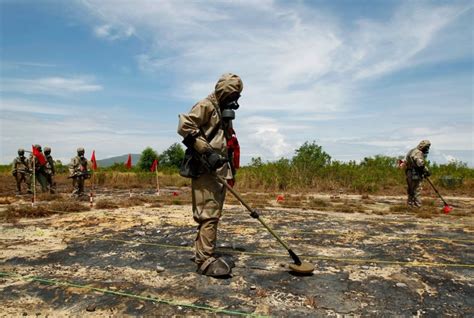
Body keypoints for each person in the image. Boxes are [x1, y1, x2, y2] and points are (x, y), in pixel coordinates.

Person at [177, 73, 243, 277]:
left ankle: (205, 252)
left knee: (214, 214)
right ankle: (204, 260)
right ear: (225, 92)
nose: (236, 101)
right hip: (206, 168)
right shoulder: (205, 106)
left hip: (219, 169)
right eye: (233, 95)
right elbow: (184, 125)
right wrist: (207, 151)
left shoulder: (222, 110)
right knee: (209, 215)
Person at [405, 140, 431, 207]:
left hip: (409, 172)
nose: (427, 149)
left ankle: (410, 205)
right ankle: (417, 205)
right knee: (416, 189)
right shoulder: (418, 152)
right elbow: (420, 164)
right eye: (427, 147)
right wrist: (426, 171)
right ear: (423, 146)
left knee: (411, 189)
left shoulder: (412, 150)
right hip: (415, 173)